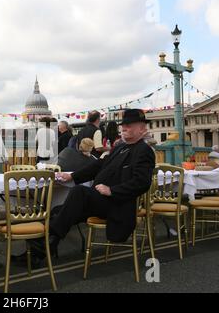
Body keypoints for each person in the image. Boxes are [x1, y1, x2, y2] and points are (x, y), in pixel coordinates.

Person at [23, 109, 155, 264]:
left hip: (117, 203)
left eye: (130, 125)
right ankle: (41, 249)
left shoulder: (144, 151)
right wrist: (72, 176)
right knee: (57, 211)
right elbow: (99, 165)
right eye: (124, 124)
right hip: (100, 200)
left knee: (79, 193)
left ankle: (43, 240)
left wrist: (112, 190)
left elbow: (142, 182)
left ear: (142, 128)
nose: (124, 127)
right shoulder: (119, 147)